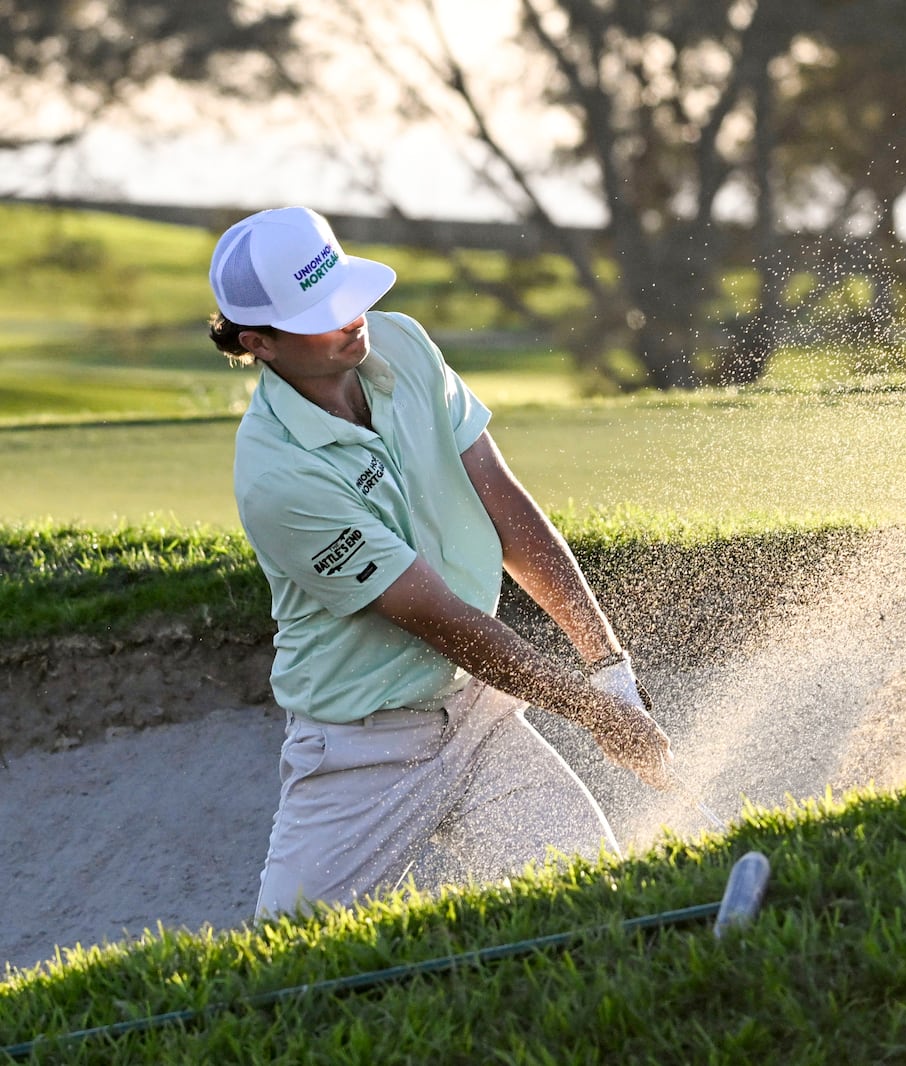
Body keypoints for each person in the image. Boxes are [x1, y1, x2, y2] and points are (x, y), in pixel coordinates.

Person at [205, 206, 672, 916]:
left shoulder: (403, 345)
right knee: (287, 971)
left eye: (347, 294)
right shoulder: (279, 477)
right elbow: (444, 621)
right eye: (321, 314)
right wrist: (593, 714)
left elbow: (508, 511)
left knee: (594, 907)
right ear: (257, 342)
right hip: (363, 753)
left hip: (478, 721)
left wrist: (610, 668)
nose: (352, 318)